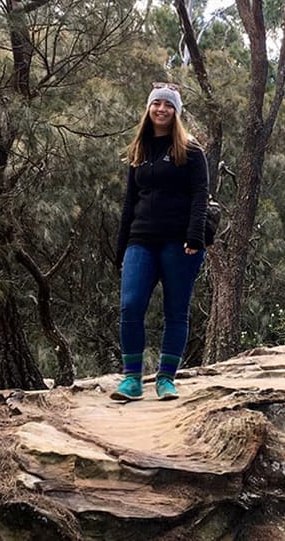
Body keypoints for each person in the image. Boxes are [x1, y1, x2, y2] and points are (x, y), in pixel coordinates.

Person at [111, 82, 210, 401]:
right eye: (157, 104)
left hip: (180, 242)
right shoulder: (138, 151)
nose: (161, 109)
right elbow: (129, 201)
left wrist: (195, 236)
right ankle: (131, 379)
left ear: (176, 112)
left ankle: (166, 379)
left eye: (168, 105)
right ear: (149, 108)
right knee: (130, 305)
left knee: (176, 310)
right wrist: (121, 246)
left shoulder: (191, 151)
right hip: (141, 240)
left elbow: (200, 195)